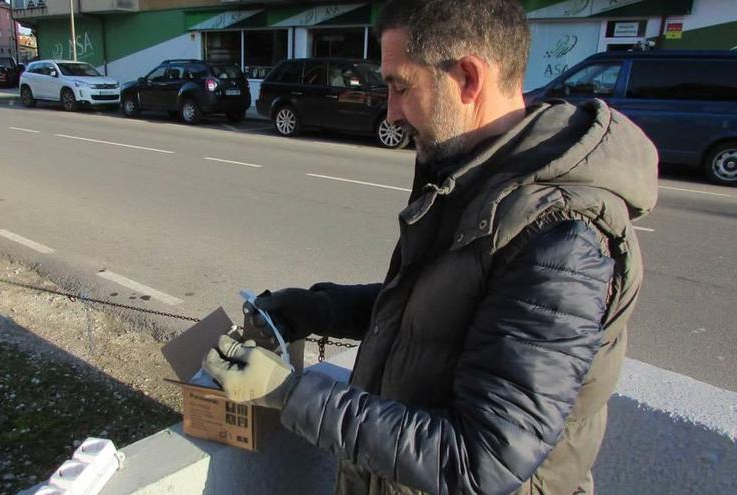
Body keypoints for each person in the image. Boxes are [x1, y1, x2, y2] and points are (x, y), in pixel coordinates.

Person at [202, 1, 658, 493]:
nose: (392, 111)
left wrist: (286, 394)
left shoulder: (562, 237)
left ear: (467, 77)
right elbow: (442, 311)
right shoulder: (478, 176)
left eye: (400, 86)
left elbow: (481, 460)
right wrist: (322, 308)